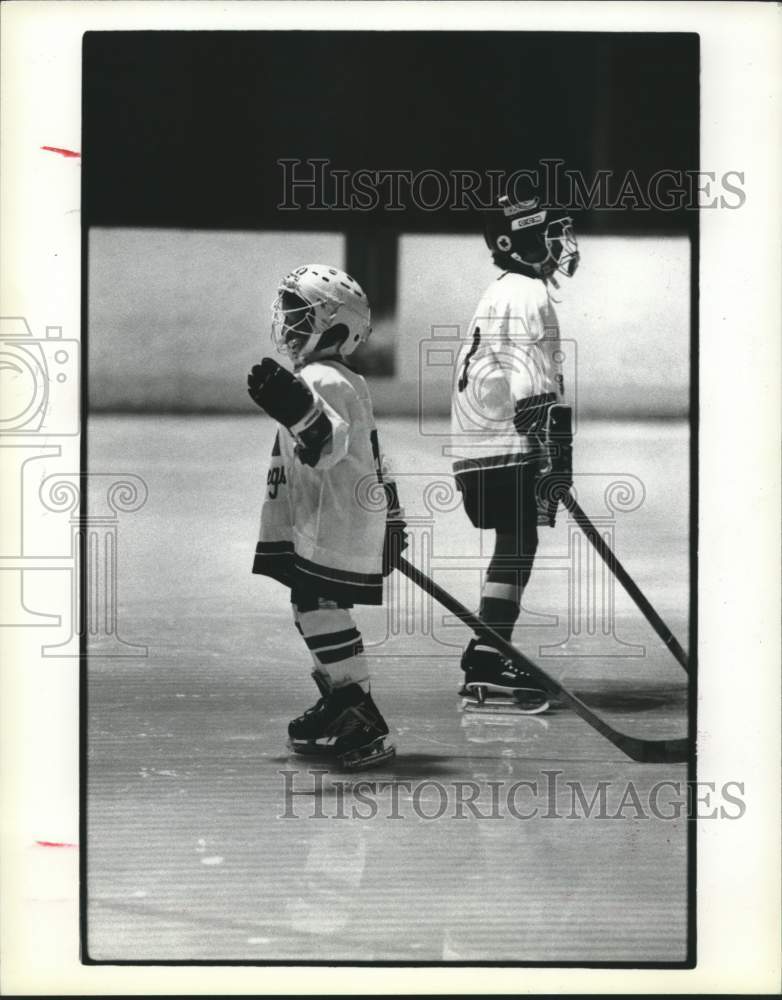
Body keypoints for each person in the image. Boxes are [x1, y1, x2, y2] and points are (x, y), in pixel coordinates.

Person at [248, 264, 406, 769]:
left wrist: (299, 412)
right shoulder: (341, 377)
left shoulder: (323, 379)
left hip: (333, 521)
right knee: (312, 607)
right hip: (333, 517)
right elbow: (377, 458)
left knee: (318, 607)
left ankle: (361, 714)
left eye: (299, 314)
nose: (289, 324)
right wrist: (394, 519)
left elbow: (332, 442)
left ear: (334, 326)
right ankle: (342, 700)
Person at [450, 186, 579, 713]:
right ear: (520, 242)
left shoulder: (500, 291)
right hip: (507, 444)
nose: (561, 246)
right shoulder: (527, 293)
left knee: (517, 540)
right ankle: (489, 648)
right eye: (551, 236)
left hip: (481, 446)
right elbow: (531, 383)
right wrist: (555, 454)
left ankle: (487, 650)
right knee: (518, 543)